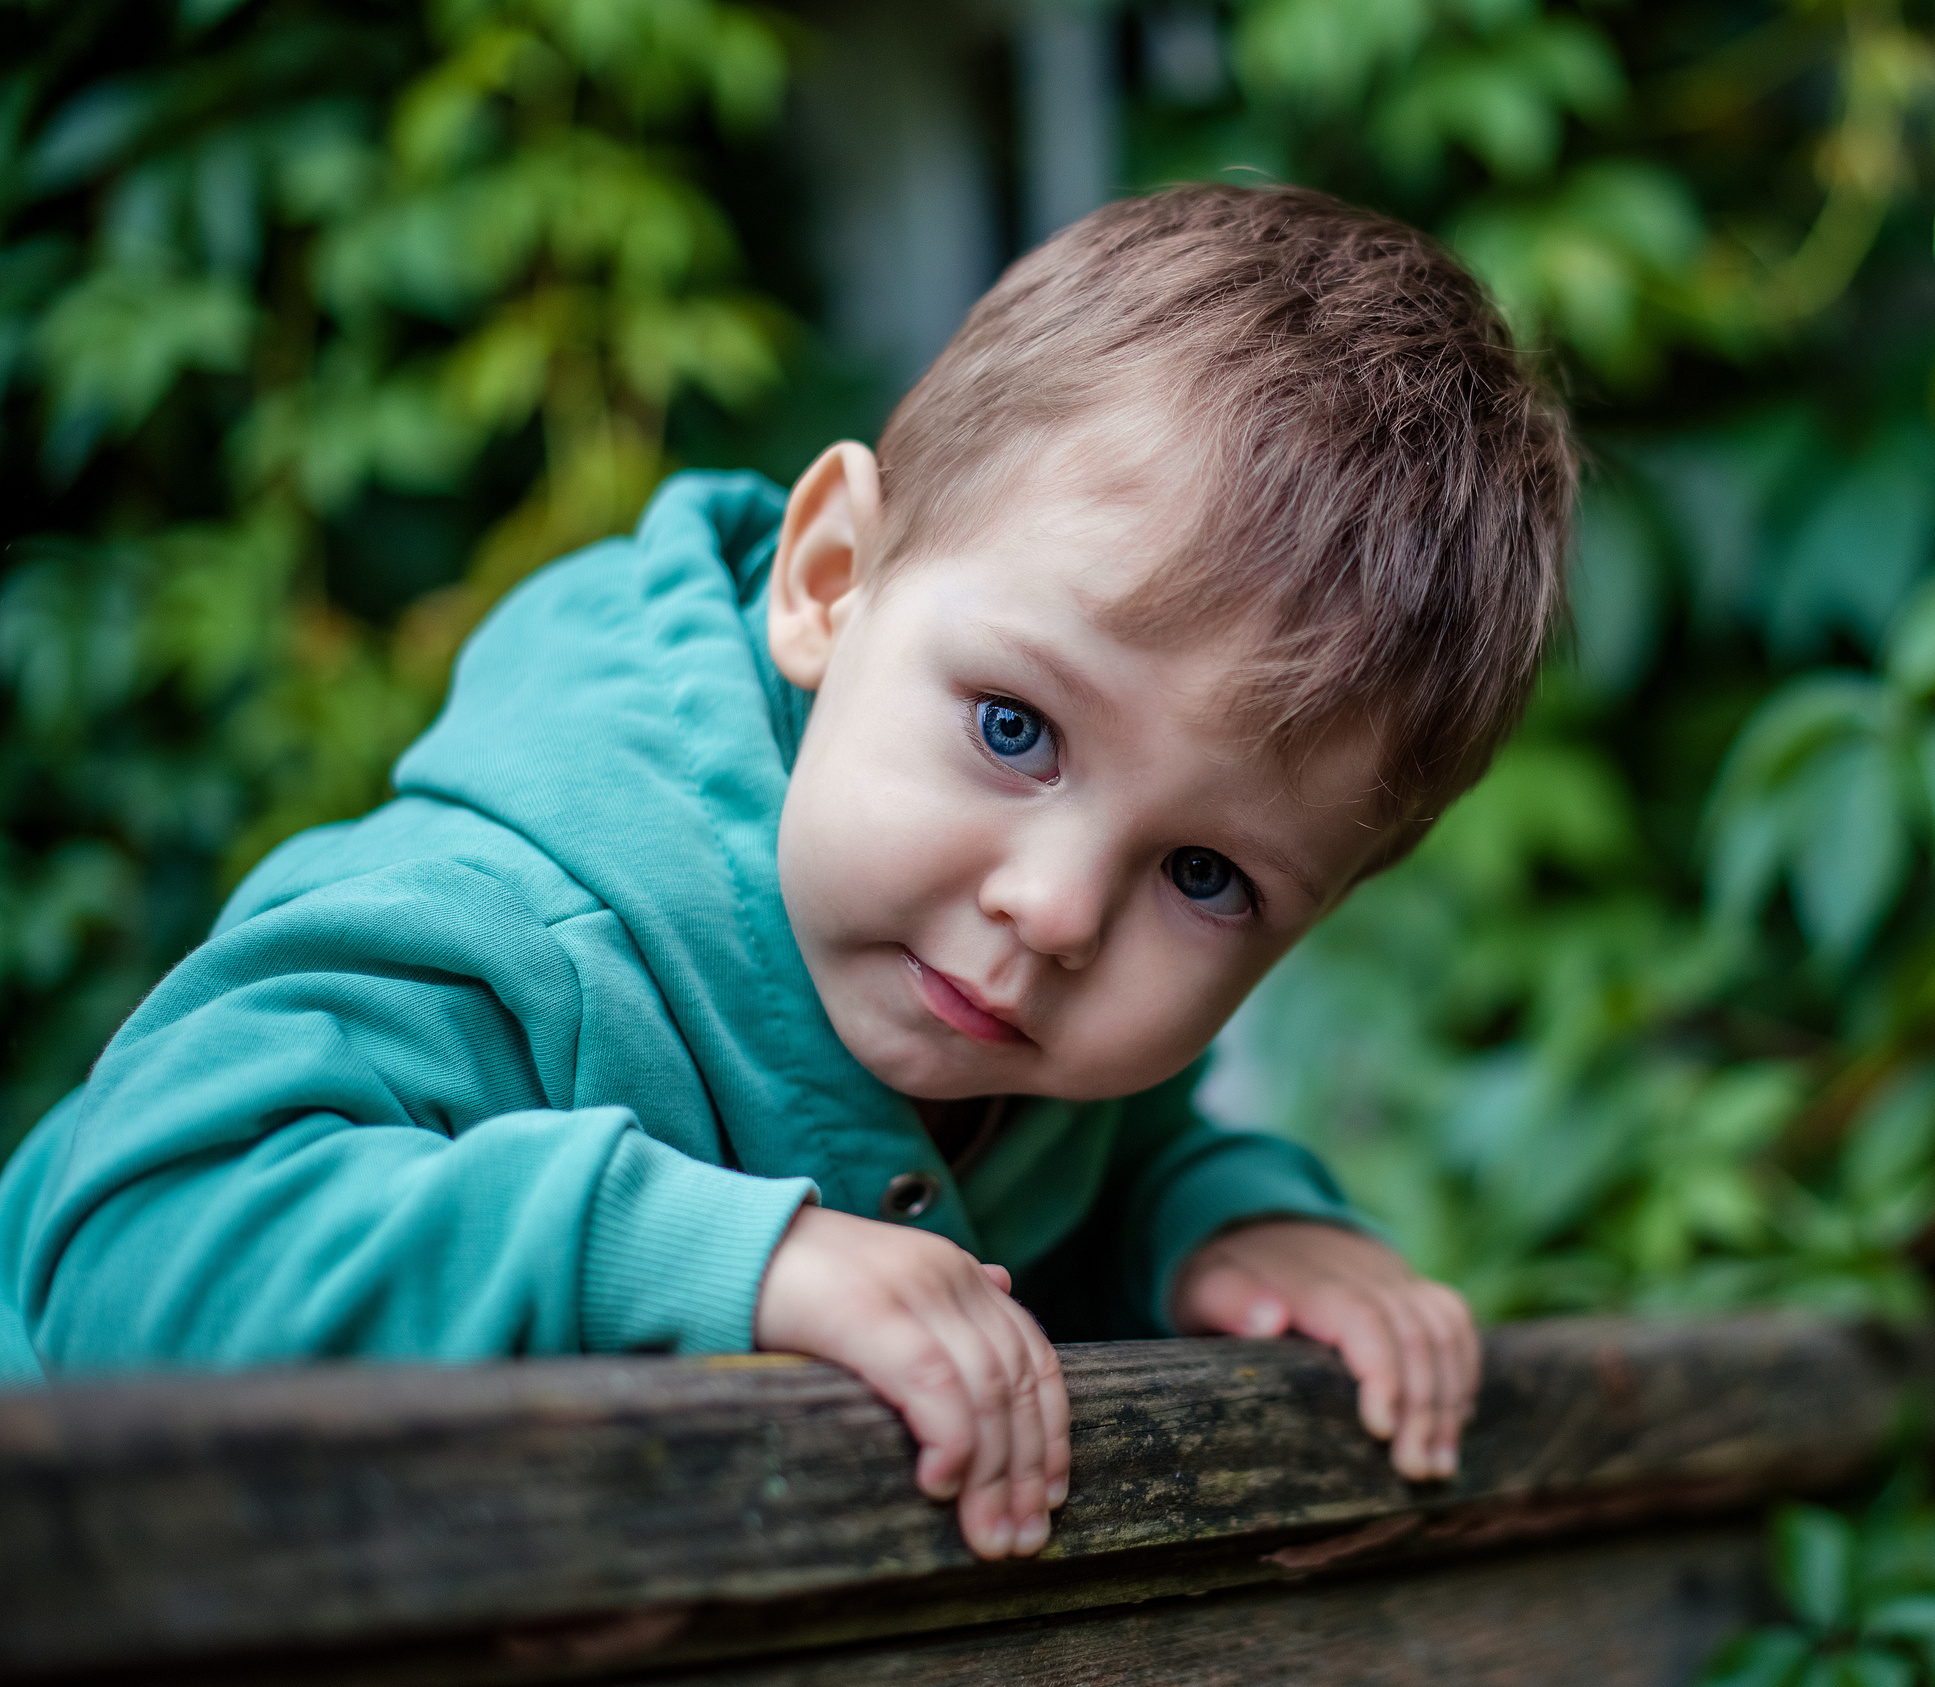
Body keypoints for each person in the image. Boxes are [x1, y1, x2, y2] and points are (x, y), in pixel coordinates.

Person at [0, 183, 1575, 1563]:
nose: (1057, 908)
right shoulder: (522, 929)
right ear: (830, 582)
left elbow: (1128, 1155)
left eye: (1211, 878)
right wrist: (717, 1256)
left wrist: (1232, 1224)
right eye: (1017, 727)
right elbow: (129, 1248)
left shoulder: (1006, 1029)